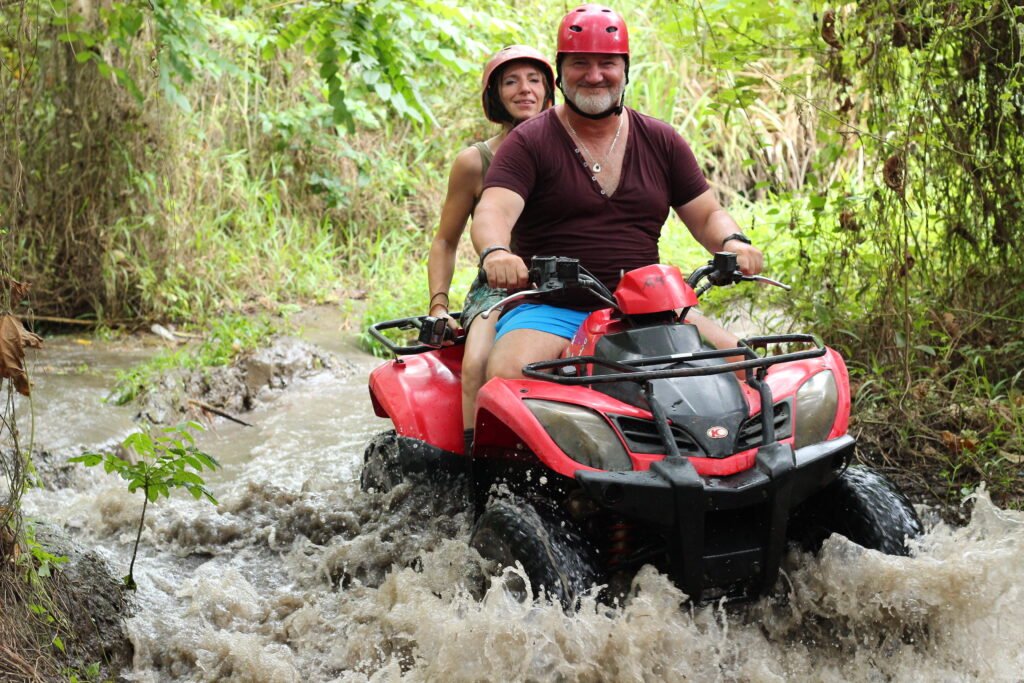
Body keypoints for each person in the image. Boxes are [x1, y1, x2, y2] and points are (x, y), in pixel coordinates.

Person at [471, 3, 765, 382]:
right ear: (560, 73)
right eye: (580, 63)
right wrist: (496, 252)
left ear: (625, 70)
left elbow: (708, 214)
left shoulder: (662, 140)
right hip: (552, 307)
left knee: (742, 369)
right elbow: (493, 211)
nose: (595, 76)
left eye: (607, 63)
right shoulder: (528, 141)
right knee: (508, 373)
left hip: (652, 306)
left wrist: (734, 241)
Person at [425, 45, 556, 445]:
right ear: (494, 94)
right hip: (499, 288)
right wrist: (439, 306)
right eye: (511, 81)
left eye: (534, 80)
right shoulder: (475, 161)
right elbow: (446, 240)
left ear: (550, 89)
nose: (525, 90)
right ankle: (478, 463)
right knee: (479, 362)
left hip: (571, 279)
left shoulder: (573, 148)